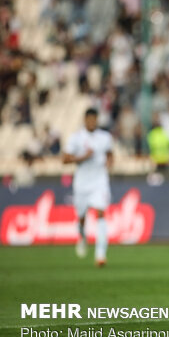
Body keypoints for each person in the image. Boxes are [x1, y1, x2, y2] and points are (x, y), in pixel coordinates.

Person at [62, 108, 113, 267]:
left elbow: (110, 153)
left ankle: (100, 254)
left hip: (100, 181)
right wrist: (83, 157)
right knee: (82, 217)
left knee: (101, 212)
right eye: (89, 120)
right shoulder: (76, 138)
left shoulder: (105, 137)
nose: (91, 122)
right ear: (85, 120)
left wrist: (110, 163)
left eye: (94, 120)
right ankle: (82, 237)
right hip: (82, 183)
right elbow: (65, 160)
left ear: (97, 120)